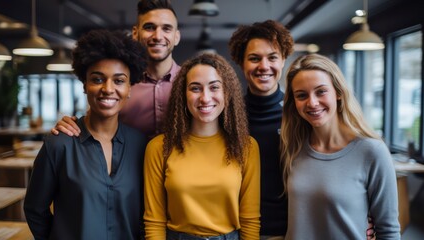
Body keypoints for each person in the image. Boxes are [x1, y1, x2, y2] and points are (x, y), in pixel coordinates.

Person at [24, 29, 148, 240]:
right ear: (84, 85)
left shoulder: (141, 145)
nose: (108, 89)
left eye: (119, 81)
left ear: (130, 89)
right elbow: (35, 210)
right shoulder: (59, 144)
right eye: (98, 79)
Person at [280, 53, 401, 239]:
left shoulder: (371, 151)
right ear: (294, 102)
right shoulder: (293, 147)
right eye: (302, 95)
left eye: (321, 91)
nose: (312, 102)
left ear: (338, 92)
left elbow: (388, 230)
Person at [143, 53, 261, 239]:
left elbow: (250, 220)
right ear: (183, 95)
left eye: (214, 87)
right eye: (195, 88)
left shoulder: (246, 147)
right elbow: (154, 221)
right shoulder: (159, 148)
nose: (205, 98)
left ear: (226, 93)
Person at [51, 0, 181, 139]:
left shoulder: (190, 83)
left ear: (176, 36)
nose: (157, 36)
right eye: (149, 27)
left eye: (166, 28)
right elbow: (95, 124)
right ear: (135, 33)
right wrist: (71, 125)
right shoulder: (119, 84)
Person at [228, 20, 293, 240]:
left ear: (283, 60)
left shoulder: (299, 115)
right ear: (241, 62)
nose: (264, 66)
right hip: (238, 230)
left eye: (272, 57)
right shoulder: (227, 116)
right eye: (254, 58)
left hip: (291, 231)